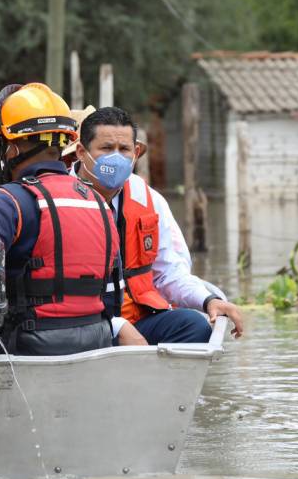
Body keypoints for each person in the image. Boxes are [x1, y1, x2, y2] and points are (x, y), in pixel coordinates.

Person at [72, 106, 244, 345]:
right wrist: (116, 327)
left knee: (195, 326)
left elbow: (169, 272)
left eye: (124, 149)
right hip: (82, 325)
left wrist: (208, 300)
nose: (116, 157)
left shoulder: (147, 198)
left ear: (136, 152)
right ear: (81, 152)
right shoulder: (60, 198)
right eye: (106, 148)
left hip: (139, 319)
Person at [0, 82, 119, 356]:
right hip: (97, 343)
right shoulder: (98, 202)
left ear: (12, 148)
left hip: (29, 347)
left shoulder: (7, 201)